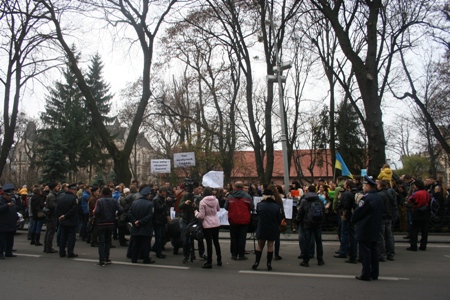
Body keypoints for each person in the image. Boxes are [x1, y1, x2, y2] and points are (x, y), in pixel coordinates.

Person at [351, 175, 384, 281]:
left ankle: (365, 274)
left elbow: (359, 212)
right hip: (375, 226)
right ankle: (374, 273)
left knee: (365, 252)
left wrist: (353, 220)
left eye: (364, 185)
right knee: (374, 250)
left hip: (365, 227)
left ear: (369, 186)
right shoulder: (378, 197)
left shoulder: (366, 198)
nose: (363, 187)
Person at [251, 187, 283, 271]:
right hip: (273, 227)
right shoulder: (276, 206)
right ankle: (269, 263)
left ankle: (256, 262)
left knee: (260, 245)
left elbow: (257, 215)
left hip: (262, 226)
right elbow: (279, 219)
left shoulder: (259, 205)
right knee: (270, 245)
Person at [94, 187, 123, 266]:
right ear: (110, 193)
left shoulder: (99, 201)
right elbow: (121, 209)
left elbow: (96, 211)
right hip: (111, 222)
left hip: (101, 223)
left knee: (101, 242)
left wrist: (98, 217)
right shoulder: (113, 200)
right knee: (108, 240)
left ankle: (102, 259)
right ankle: (107, 257)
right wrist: (116, 215)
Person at [224, 181, 253, 261]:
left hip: (233, 219)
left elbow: (226, 207)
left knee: (233, 237)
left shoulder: (230, 196)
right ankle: (241, 255)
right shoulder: (247, 196)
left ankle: (234, 254)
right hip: (244, 220)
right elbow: (252, 207)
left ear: (234, 187)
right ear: (242, 187)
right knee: (242, 238)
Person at [297, 186, 325, 267]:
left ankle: (306, 261)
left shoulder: (304, 201)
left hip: (307, 223)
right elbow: (323, 211)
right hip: (318, 223)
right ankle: (320, 259)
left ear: (308, 191)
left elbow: (300, 213)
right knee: (319, 241)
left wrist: (299, 220)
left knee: (307, 241)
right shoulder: (319, 200)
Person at [194, 187, 222, 269]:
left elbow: (201, 216)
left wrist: (196, 213)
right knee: (216, 242)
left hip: (207, 224)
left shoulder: (202, 202)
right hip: (216, 222)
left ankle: (209, 261)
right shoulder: (216, 200)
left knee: (209, 243)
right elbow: (218, 209)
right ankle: (219, 259)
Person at [128, 185, 155, 264]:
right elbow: (150, 216)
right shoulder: (150, 204)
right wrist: (140, 222)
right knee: (146, 244)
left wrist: (135, 221)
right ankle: (146, 259)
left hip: (135, 227)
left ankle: (134, 258)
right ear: (148, 195)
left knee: (135, 243)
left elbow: (129, 214)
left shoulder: (134, 203)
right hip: (145, 227)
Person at [56, 183, 79, 258]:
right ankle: (70, 252)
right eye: (75, 190)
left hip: (63, 220)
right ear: (71, 189)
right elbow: (74, 209)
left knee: (63, 237)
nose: (76, 191)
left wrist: (61, 216)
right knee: (71, 237)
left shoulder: (61, 197)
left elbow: (57, 208)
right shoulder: (74, 198)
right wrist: (65, 216)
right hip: (71, 220)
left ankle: (61, 252)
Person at [407, 180, 431, 251]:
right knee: (424, 231)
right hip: (426, 212)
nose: (414, 187)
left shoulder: (416, 193)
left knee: (414, 230)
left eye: (414, 185)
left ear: (417, 186)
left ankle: (413, 246)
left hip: (417, 211)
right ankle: (423, 245)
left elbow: (410, 200)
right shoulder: (427, 193)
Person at [0, 183, 18, 259]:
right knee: (1, 240)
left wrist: (16, 218)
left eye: (10, 195)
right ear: (4, 194)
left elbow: (14, 211)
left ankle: (8, 252)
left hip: (11, 223)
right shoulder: (1, 201)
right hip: (3, 223)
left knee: (10, 240)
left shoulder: (12, 201)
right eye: (8, 195)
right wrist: (6, 205)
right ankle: (0, 253)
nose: (9, 196)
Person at [152, 186, 171, 259]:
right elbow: (160, 209)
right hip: (158, 220)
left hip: (161, 220)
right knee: (159, 237)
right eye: (165, 192)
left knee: (162, 235)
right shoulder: (156, 199)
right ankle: (158, 252)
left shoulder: (161, 199)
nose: (166, 193)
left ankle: (155, 248)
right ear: (162, 192)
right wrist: (165, 202)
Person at [43, 182, 60, 253]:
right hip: (52, 215)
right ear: (54, 188)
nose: (58, 187)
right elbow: (53, 205)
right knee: (51, 231)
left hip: (51, 215)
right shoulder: (52, 195)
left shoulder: (51, 195)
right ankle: (48, 247)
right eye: (57, 186)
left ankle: (47, 247)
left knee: (49, 231)